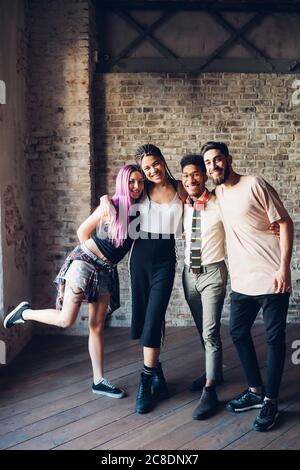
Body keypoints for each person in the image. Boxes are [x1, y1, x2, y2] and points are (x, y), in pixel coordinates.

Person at [3, 164, 144, 399]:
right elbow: (82, 232)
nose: (137, 186)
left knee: (97, 327)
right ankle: (25, 313)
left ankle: (98, 381)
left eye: (140, 181)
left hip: (107, 270)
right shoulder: (110, 208)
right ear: (122, 183)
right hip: (85, 263)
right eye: (131, 181)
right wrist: (104, 203)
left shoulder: (139, 209)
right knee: (66, 320)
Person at [201, 141, 294, 432]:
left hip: (271, 277)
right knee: (238, 332)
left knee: (273, 339)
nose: (213, 166)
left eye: (217, 160)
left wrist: (284, 268)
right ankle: (255, 390)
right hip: (242, 281)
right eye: (208, 163)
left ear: (228, 159)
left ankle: (271, 400)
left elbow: (286, 223)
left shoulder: (254, 184)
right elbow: (185, 188)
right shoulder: (217, 194)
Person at [100, 144, 185, 414]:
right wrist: (104, 199)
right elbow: (117, 195)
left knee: (155, 315)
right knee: (146, 317)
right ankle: (156, 371)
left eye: (155, 164)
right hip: (140, 258)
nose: (152, 170)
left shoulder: (181, 187)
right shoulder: (142, 190)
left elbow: (205, 201)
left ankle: (145, 380)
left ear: (163, 161)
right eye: (147, 168)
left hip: (165, 258)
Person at [180, 154, 227, 420]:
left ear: (205, 175)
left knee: (210, 332)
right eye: (186, 175)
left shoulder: (221, 203)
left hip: (213, 273)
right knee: (202, 329)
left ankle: (210, 392)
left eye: (196, 174)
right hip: (189, 274)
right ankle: (215, 373)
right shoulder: (183, 203)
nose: (191, 179)